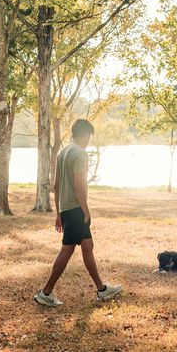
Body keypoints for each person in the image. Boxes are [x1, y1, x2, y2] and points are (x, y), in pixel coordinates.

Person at [34, 118, 123, 306]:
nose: (89, 140)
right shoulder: (80, 153)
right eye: (89, 136)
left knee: (87, 246)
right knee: (67, 249)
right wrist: (86, 210)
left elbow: (56, 185)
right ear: (84, 135)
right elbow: (78, 185)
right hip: (76, 210)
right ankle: (46, 292)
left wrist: (59, 213)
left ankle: (102, 289)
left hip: (67, 209)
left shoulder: (63, 152)